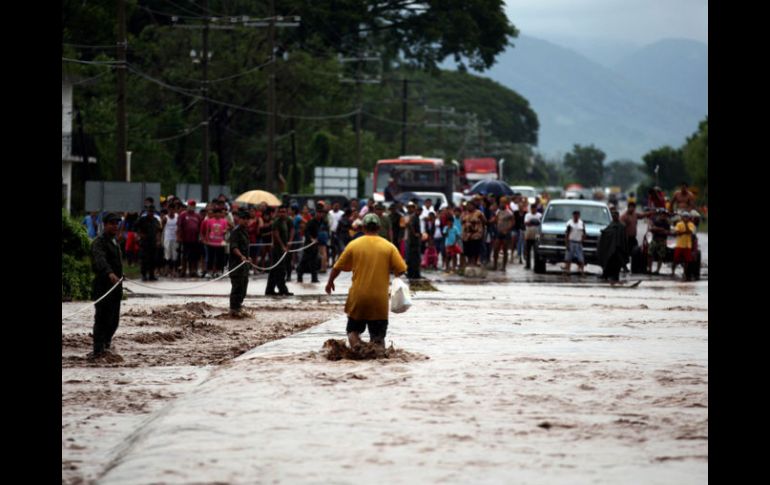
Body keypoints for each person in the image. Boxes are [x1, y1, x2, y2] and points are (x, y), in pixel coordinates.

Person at [325, 213, 408, 349]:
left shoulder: (354, 245)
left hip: (358, 298)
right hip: (379, 301)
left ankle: (358, 350)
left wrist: (330, 282)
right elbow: (401, 270)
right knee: (378, 339)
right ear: (379, 227)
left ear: (363, 227)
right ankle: (376, 356)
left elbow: (337, 266)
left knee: (352, 332)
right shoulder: (389, 247)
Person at [89, 212, 123, 359]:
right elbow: (100, 260)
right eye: (112, 223)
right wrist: (109, 273)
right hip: (103, 287)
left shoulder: (115, 241)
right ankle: (98, 350)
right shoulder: (98, 242)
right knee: (101, 318)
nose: (115, 226)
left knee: (114, 321)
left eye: (117, 224)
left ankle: (106, 345)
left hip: (116, 288)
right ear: (105, 225)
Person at [265, 205, 294, 296]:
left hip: (284, 248)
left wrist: (290, 242)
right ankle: (283, 289)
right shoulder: (276, 222)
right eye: (280, 212)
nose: (282, 213)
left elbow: (292, 229)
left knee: (275, 270)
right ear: (278, 213)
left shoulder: (288, 220)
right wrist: (282, 246)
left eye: (284, 211)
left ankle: (269, 290)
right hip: (277, 249)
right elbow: (276, 235)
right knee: (280, 270)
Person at [229, 209, 252, 316]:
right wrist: (241, 256)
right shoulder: (235, 231)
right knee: (237, 288)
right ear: (239, 219)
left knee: (243, 289)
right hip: (236, 266)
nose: (246, 221)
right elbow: (234, 247)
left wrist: (248, 257)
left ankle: (238, 307)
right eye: (244, 219)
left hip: (244, 266)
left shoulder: (245, 231)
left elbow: (245, 247)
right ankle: (233, 309)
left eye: (248, 219)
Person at [598, 210, 628, 283]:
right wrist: (603, 232)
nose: (614, 217)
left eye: (615, 215)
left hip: (619, 249)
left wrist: (623, 247)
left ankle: (616, 277)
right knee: (609, 262)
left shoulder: (622, 226)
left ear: (618, 216)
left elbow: (624, 238)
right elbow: (607, 232)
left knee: (618, 264)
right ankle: (606, 276)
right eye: (613, 216)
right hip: (611, 249)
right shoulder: (611, 225)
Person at [177, 199, 202, 278]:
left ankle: (193, 271)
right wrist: (179, 236)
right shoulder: (183, 215)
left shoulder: (197, 215)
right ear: (188, 205)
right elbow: (179, 226)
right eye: (190, 205)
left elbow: (200, 227)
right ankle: (183, 271)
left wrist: (200, 237)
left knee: (194, 256)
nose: (192, 207)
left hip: (195, 239)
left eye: (193, 205)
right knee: (184, 256)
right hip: (185, 239)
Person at [297, 209, 324, 283]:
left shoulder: (320, 221)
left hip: (315, 245)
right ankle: (299, 276)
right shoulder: (311, 222)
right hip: (309, 245)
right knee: (304, 261)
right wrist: (311, 239)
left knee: (314, 262)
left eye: (321, 213)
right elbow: (306, 232)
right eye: (319, 213)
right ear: (316, 213)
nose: (320, 215)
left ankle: (314, 278)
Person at [136, 205, 161, 281]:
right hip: (144, 242)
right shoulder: (142, 219)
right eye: (150, 211)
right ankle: (144, 275)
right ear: (147, 211)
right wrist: (139, 235)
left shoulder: (155, 220)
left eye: (152, 211)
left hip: (153, 242)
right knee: (144, 259)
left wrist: (158, 240)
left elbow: (158, 230)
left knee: (153, 259)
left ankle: (151, 275)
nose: (151, 213)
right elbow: (135, 227)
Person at [461, 200, 487, 268]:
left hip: (476, 235)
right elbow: (462, 222)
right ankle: (469, 263)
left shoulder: (479, 213)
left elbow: (484, 222)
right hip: (466, 235)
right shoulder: (464, 213)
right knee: (467, 251)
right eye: (468, 205)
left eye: (470, 205)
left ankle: (474, 263)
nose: (469, 207)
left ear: (474, 206)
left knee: (475, 250)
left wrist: (482, 232)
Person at [672, 211, 696, 280]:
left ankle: (685, 272)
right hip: (679, 244)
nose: (685, 218)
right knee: (675, 259)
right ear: (682, 218)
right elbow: (677, 232)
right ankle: (673, 271)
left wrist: (684, 228)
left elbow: (690, 231)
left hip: (687, 245)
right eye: (684, 217)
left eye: (687, 217)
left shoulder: (691, 224)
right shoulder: (679, 224)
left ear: (689, 218)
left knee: (687, 261)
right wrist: (684, 232)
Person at [492, 196, 514, 271]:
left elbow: (513, 222)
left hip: (506, 233)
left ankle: (504, 266)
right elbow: (496, 219)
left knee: (505, 250)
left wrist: (507, 229)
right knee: (495, 249)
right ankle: (495, 265)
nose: (502, 204)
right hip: (498, 231)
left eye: (503, 202)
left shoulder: (509, 212)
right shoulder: (498, 211)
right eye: (501, 202)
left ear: (506, 203)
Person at [647, 208, 670, 274]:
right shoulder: (656, 221)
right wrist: (661, 229)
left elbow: (667, 232)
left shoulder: (667, 223)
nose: (663, 216)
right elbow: (652, 229)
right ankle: (649, 269)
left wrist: (657, 229)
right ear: (660, 214)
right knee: (649, 254)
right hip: (655, 239)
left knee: (661, 256)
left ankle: (657, 270)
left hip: (662, 241)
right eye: (662, 214)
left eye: (665, 215)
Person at [619, 202, 640, 272]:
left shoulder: (635, 215)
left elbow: (642, 215)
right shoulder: (624, 216)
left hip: (633, 238)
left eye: (633, 208)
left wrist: (651, 212)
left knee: (636, 252)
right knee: (625, 253)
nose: (632, 209)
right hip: (626, 238)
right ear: (628, 207)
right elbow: (621, 225)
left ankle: (635, 268)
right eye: (631, 207)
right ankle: (624, 267)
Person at [564, 210, 586, 275]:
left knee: (581, 258)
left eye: (577, 215)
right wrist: (567, 243)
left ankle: (582, 271)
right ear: (573, 215)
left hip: (578, 243)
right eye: (575, 215)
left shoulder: (581, 223)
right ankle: (567, 270)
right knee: (568, 258)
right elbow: (567, 234)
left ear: (579, 216)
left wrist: (582, 240)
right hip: (571, 242)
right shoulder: (569, 223)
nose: (576, 216)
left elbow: (584, 233)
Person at [523, 204, 542, 269]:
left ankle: (536, 265)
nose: (533, 209)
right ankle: (528, 265)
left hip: (537, 235)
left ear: (536, 208)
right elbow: (526, 223)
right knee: (528, 251)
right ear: (531, 208)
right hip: (529, 234)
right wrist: (533, 222)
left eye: (535, 208)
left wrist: (532, 223)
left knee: (536, 251)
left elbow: (541, 223)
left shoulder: (539, 215)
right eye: (532, 208)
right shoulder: (527, 215)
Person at [406, 203, 422, 279]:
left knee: (415, 258)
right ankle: (412, 274)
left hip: (415, 241)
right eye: (418, 210)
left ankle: (415, 273)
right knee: (413, 258)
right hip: (412, 241)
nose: (419, 212)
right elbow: (410, 225)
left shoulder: (416, 217)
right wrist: (415, 233)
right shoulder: (413, 217)